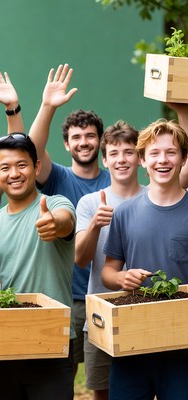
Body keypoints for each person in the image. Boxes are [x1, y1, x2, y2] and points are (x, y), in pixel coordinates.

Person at [0, 133, 76, 400]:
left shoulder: (55, 204)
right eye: (6, 168)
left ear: (37, 167)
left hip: (53, 340)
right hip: (3, 343)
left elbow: (65, 222)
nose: (14, 173)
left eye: (22, 165)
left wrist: (54, 223)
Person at [27, 64, 110, 377]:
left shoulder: (115, 180)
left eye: (90, 136)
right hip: (67, 295)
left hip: (106, 293)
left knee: (107, 380)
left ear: (100, 141)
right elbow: (31, 149)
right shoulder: (56, 176)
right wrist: (47, 106)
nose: (84, 142)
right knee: (60, 377)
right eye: (77, 137)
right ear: (66, 144)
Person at [101, 119, 188, 400]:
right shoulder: (125, 213)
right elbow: (108, 272)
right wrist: (121, 278)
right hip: (132, 340)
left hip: (182, 344)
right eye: (154, 153)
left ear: (184, 158)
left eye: (171, 152)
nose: (163, 160)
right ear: (142, 160)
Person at [75, 121, 147, 400]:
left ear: (140, 158)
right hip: (100, 314)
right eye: (114, 153)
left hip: (144, 312)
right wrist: (95, 225)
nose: (122, 160)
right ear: (104, 160)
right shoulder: (91, 202)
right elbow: (81, 260)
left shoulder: (154, 195)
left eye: (128, 152)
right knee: (101, 392)